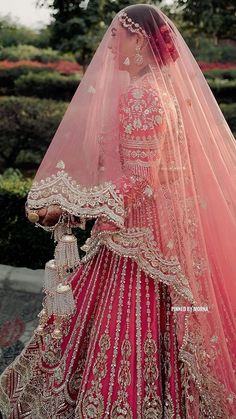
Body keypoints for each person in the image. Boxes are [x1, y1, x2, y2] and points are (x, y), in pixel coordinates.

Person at [0, 4, 236, 418]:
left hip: (138, 238)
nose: (110, 47)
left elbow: (141, 178)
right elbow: (162, 173)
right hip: (154, 231)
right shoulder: (163, 90)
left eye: (117, 37)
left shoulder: (142, 95)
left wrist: (71, 206)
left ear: (140, 41)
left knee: (118, 317)